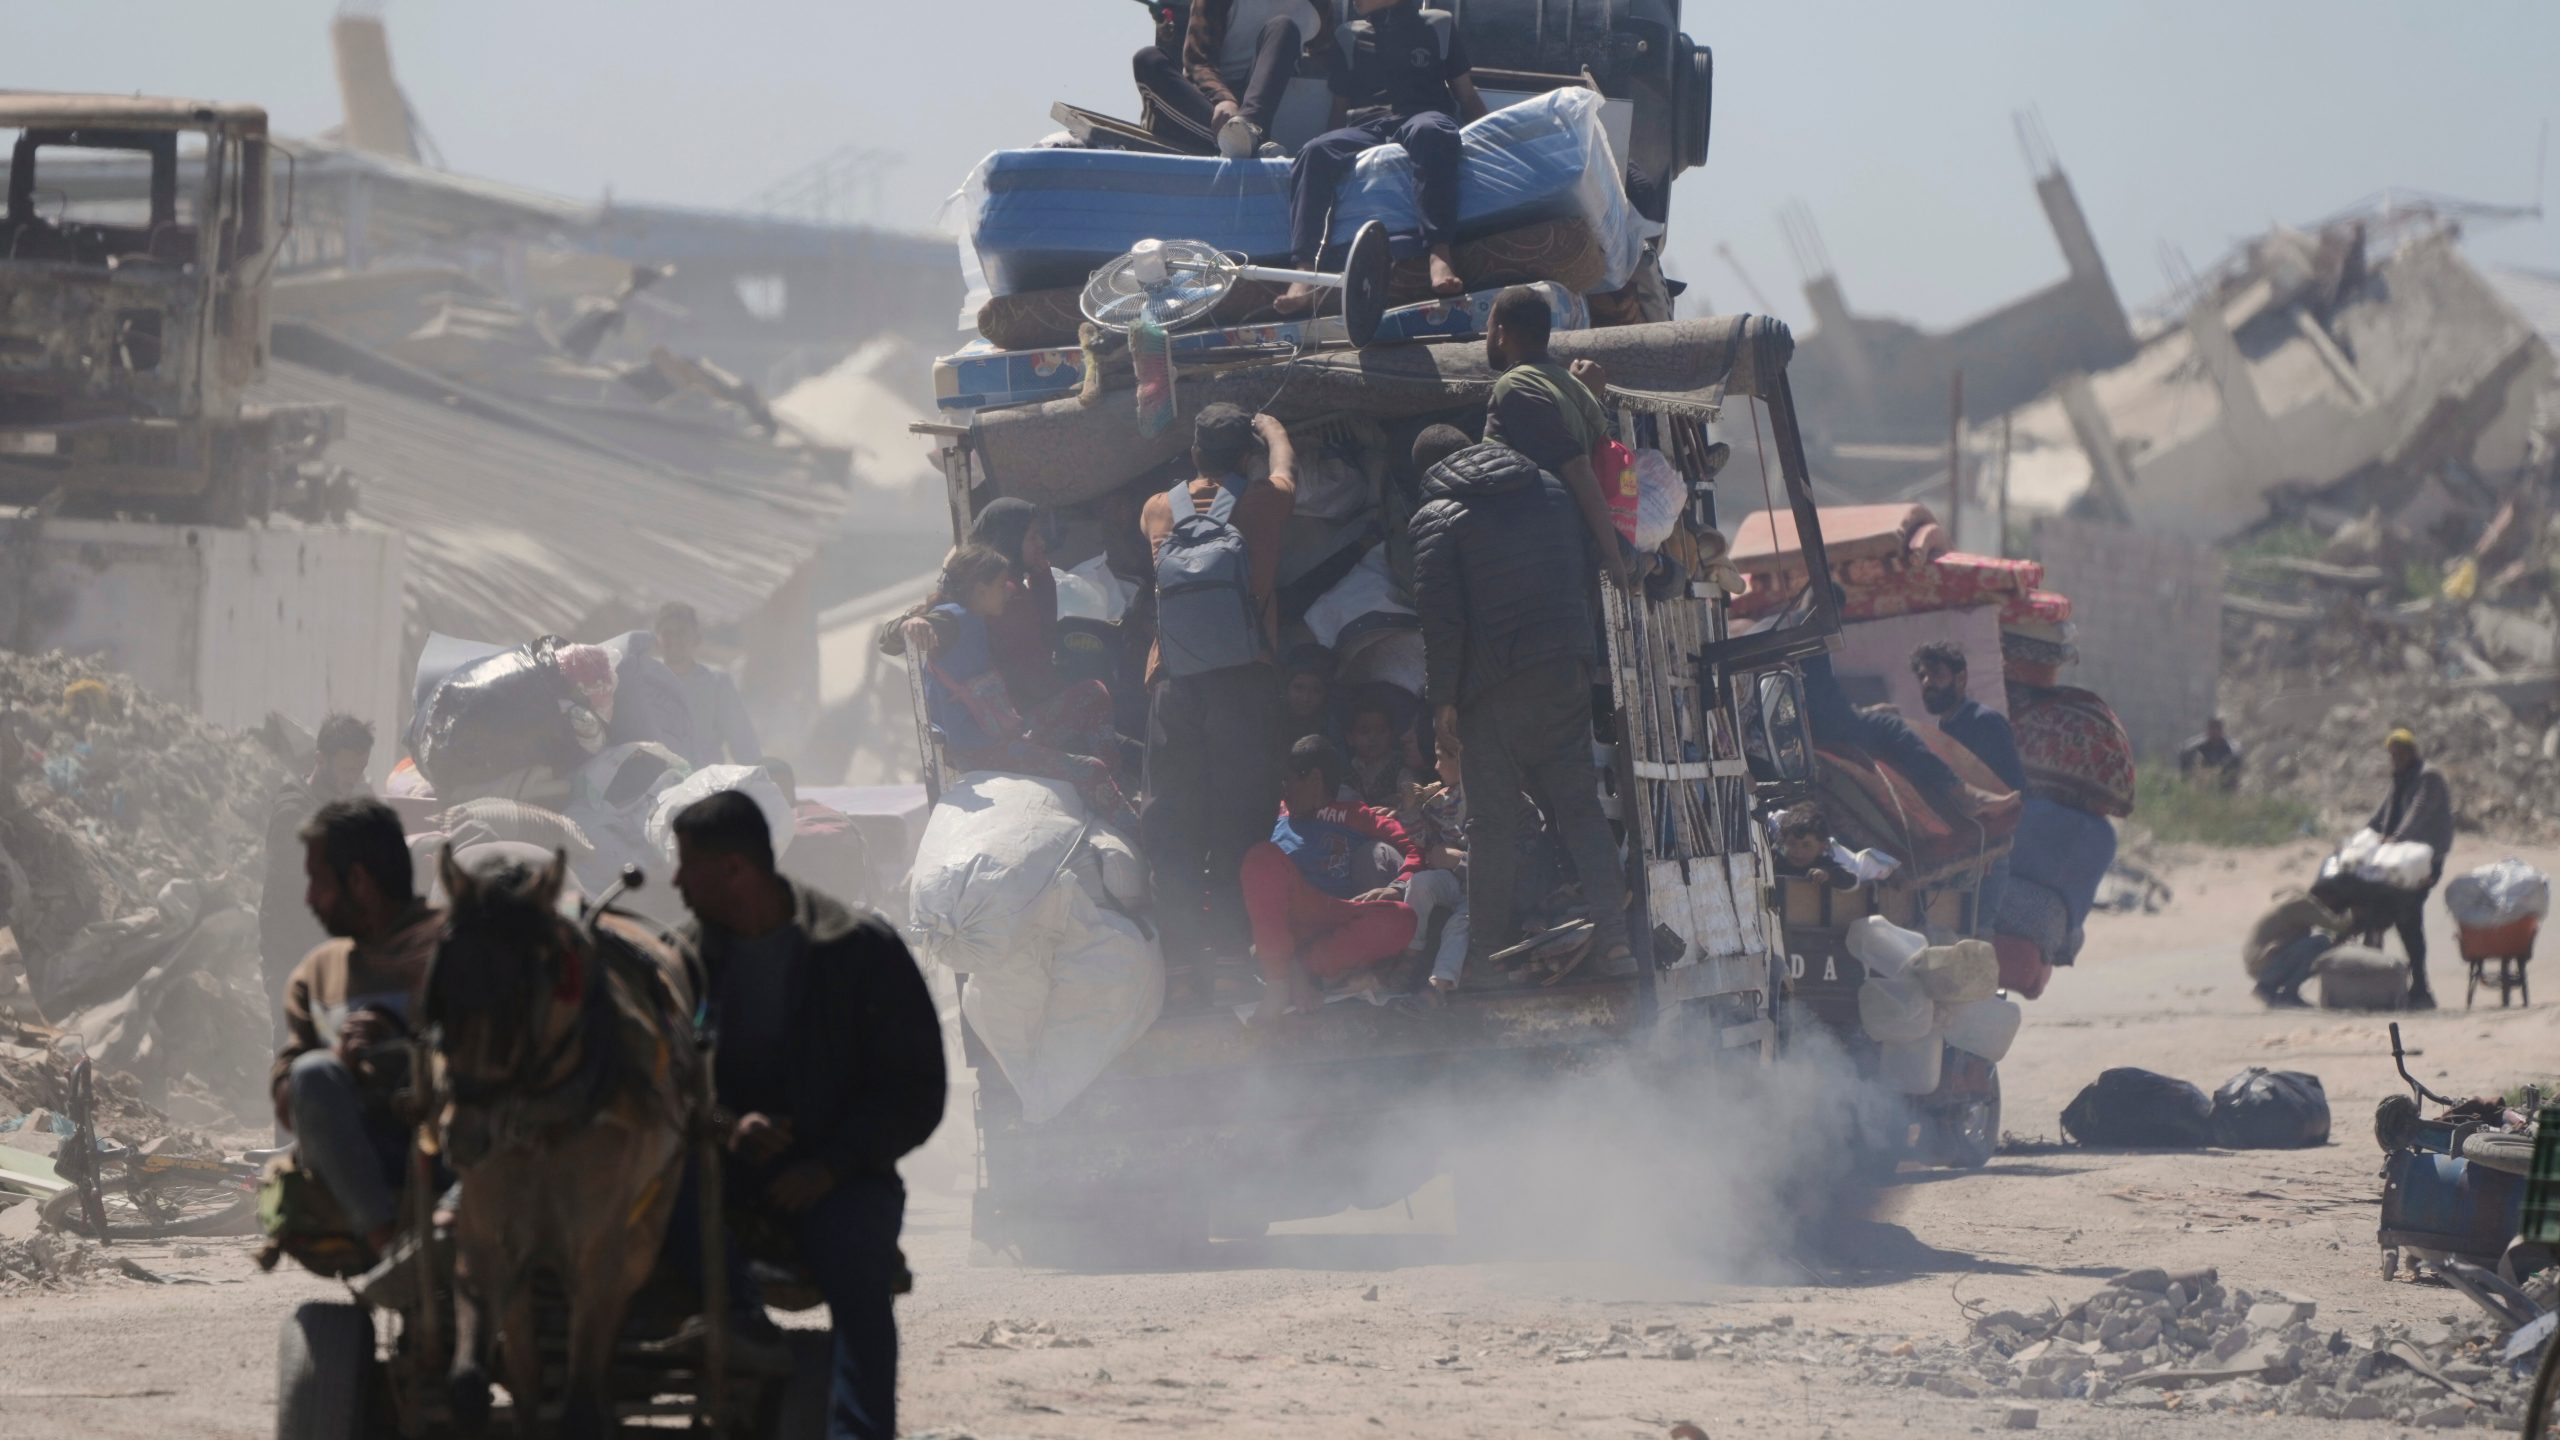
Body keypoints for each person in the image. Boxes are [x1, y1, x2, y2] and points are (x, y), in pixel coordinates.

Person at [672, 790, 945, 1440]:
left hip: (842, 1176)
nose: (676, 880)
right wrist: (725, 1125)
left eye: (688, 864)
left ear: (735, 869)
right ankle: (752, 1358)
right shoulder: (680, 960)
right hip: (718, 1175)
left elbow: (916, 1091)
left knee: (860, 1277)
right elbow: (658, 1080)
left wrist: (833, 1164)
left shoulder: (859, 949)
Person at [1409, 437, 1632, 979]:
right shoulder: (1552, 490)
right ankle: (1618, 943)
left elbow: (1442, 622)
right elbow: (1581, 576)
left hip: (1494, 687)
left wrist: (1442, 701)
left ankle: (1483, 961)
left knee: (1490, 826)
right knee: (1579, 807)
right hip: (1565, 669)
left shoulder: (1437, 517)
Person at [1139, 404, 1298, 962]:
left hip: (1173, 683)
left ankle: (1181, 964)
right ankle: (1233, 956)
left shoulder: (1158, 509)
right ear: (1247, 457)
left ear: (1194, 455)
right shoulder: (1264, 501)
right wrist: (1272, 430)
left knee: (1175, 821)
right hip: (1242, 682)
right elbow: (1285, 468)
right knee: (1241, 820)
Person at [271, 799, 440, 1256]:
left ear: (360, 884)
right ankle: (392, 1251)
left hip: (459, 1151)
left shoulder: (454, 949)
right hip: (372, 1159)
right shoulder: (319, 974)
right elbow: (289, 1100)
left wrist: (406, 1040)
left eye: (320, 883)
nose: (310, 899)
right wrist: (341, 1062)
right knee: (312, 1074)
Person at [1273, 0, 1488, 317]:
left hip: (1423, 115)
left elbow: (1466, 95)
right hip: (1367, 126)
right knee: (1313, 151)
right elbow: (1339, 107)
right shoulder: (1348, 35)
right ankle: (1304, 273)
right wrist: (1328, 148)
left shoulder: (1439, 26)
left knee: (1432, 131)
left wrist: (1489, 141)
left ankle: (1439, 254)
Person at [913, 545, 1136, 831]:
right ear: (980, 589)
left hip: (1005, 730)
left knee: (1092, 694)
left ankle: (1116, 791)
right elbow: (902, 633)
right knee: (1090, 770)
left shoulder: (974, 616)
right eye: (999, 584)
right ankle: (1138, 837)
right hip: (983, 752)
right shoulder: (953, 618)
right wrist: (914, 623)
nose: (1007, 590)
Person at [1241, 736, 1420, 1021]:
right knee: (1260, 856)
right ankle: (1279, 983)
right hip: (1288, 918)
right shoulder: (1274, 816)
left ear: (1313, 779)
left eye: (1288, 781)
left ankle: (1302, 969)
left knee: (1402, 919)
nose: (1283, 791)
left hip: (1336, 916)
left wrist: (1398, 887)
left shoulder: (1358, 816)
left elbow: (1414, 849)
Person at [1480, 287, 1635, 589]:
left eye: (1487, 328)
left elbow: (1577, 466)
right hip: (1568, 555)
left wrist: (1613, 556)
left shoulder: (1515, 386)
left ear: (1501, 334)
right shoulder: (1570, 385)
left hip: (1543, 558)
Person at [261, 713, 375, 1048]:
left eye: (360, 769)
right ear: (320, 760)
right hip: (290, 952)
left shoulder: (343, 802)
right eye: (347, 770)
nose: (354, 778)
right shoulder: (292, 809)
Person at [1133, 0, 1330, 157]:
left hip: (1253, 111)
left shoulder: (1317, 8)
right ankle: (1237, 142)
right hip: (1205, 106)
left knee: (1284, 26)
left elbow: (1332, 53)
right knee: (1147, 59)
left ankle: (1247, 136)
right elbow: (1197, 62)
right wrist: (1223, 99)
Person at [2369, 727, 2455, 1009]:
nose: (2396, 758)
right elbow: (2381, 815)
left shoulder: (2427, 776)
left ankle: (2421, 987)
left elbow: (2417, 813)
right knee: (2383, 913)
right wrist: (2360, 838)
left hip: (2423, 862)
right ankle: (2380, 985)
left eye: (2400, 753)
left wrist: (2395, 839)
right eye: (2392, 754)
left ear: (2411, 752)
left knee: (2409, 916)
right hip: (2398, 858)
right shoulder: (2399, 779)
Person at [655, 601, 761, 769]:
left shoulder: (716, 683)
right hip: (655, 785)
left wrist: (757, 782)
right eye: (667, 633)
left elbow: (742, 741)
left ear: (696, 639)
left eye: (681, 633)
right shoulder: (643, 679)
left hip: (704, 785)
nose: (674, 639)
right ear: (657, 639)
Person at [1912, 642, 2024, 792]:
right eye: (1922, 676)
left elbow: (2013, 789)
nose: (1926, 682)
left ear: (1960, 679)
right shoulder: (1940, 729)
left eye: (1936, 673)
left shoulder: (1985, 723)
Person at [763, 759, 875, 908]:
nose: (780, 793)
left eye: (784, 786)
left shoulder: (816, 817)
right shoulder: (755, 823)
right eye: (774, 788)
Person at [1342, 694, 1417, 808]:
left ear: (1391, 734)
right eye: (1365, 731)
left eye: (1381, 731)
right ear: (1350, 738)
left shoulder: (1400, 767)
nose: (1373, 737)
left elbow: (1412, 803)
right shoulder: (1346, 771)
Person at [1280, 642, 1339, 753]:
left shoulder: (1333, 731)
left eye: (1317, 690)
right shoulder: (1269, 724)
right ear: (1286, 687)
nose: (1305, 698)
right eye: (1298, 688)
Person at [2179, 717, 2245, 791]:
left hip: (2224, 785)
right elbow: (2185, 756)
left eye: (2217, 729)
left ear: (2222, 731)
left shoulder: (2231, 750)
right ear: (2208, 730)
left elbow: (2236, 766)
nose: (2215, 732)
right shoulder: (2196, 747)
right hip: (2202, 784)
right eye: (2212, 728)